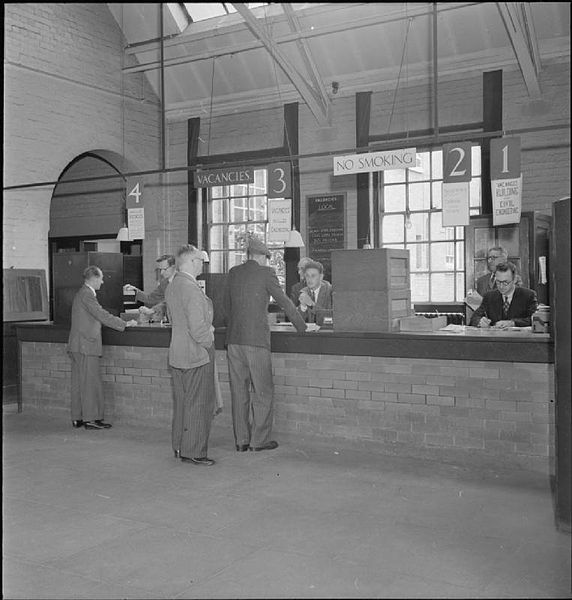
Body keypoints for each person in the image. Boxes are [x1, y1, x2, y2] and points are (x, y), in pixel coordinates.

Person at [224, 235, 308, 452]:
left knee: (239, 392)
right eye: (267, 258)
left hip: (233, 341)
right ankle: (259, 441)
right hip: (256, 342)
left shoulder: (234, 273)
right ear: (260, 256)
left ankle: (241, 441)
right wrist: (302, 327)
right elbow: (285, 302)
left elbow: (227, 306)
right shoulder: (266, 273)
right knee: (263, 392)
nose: (267, 262)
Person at [67, 266, 137, 430]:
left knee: (79, 383)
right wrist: (124, 324)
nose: (103, 281)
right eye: (101, 278)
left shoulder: (82, 293)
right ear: (94, 278)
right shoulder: (87, 294)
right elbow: (101, 314)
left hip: (78, 345)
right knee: (90, 383)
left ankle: (77, 418)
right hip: (86, 345)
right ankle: (91, 419)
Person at [165, 245, 216, 466]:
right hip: (196, 355)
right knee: (198, 404)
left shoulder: (173, 285)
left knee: (182, 403)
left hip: (177, 354)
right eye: (200, 260)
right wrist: (208, 343)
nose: (202, 264)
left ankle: (179, 445)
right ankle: (193, 451)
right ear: (192, 262)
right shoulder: (192, 289)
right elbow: (198, 328)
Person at [470, 262, 538, 329]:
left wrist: (513, 323)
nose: (501, 286)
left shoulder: (528, 295)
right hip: (495, 338)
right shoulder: (489, 296)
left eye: (505, 282)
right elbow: (475, 317)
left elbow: (534, 319)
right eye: (498, 282)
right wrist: (480, 322)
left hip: (519, 338)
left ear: (514, 280)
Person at [125, 254, 176, 321]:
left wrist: (152, 310)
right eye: (160, 270)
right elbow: (150, 298)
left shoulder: (180, 281)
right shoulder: (164, 282)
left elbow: (170, 302)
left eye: (164, 269)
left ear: (173, 267)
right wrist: (135, 291)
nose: (161, 273)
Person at [298, 260, 333, 326]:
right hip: (309, 335)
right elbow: (298, 322)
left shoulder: (331, 291)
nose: (309, 279)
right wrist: (303, 306)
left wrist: (312, 304)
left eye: (313, 276)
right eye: (307, 276)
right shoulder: (304, 292)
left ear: (321, 277)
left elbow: (331, 318)